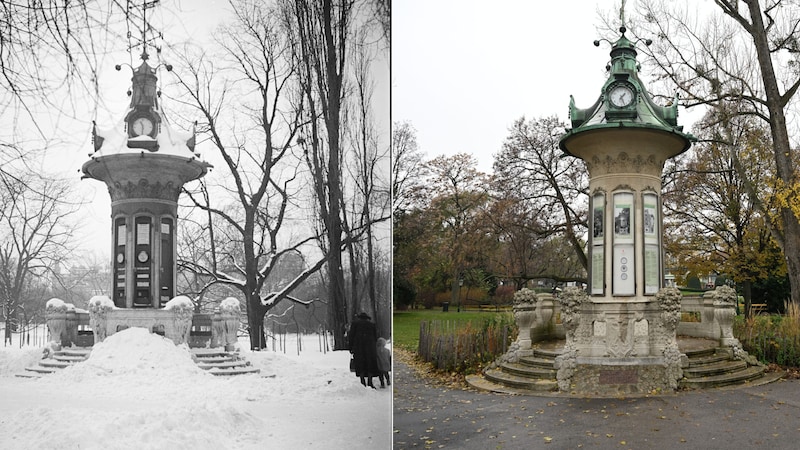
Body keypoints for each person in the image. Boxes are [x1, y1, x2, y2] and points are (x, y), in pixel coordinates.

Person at [349, 312, 379, 388]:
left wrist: (351, 347)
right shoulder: (372, 325)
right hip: (370, 348)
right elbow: (375, 337)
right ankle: (370, 381)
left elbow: (351, 336)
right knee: (370, 364)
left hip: (358, 347)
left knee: (360, 364)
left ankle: (362, 382)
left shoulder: (355, 324)